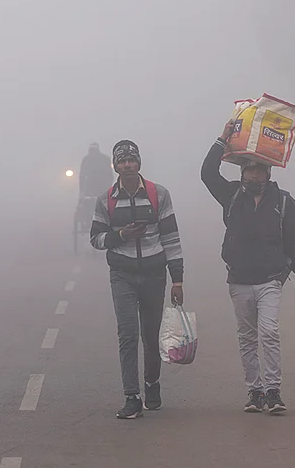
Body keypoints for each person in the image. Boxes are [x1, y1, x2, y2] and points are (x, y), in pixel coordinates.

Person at [201, 120, 295, 414]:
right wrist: (222, 138)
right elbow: (207, 174)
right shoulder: (232, 195)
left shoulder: (285, 203)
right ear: (242, 172)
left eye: (259, 170)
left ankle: (273, 390)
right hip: (238, 280)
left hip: (270, 280)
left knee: (270, 332)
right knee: (247, 337)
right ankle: (255, 391)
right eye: (249, 169)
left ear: (268, 173)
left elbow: (294, 241)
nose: (253, 174)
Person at [90, 140, 185, 419]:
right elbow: (95, 239)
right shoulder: (105, 200)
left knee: (151, 335)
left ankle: (152, 384)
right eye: (122, 161)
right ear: (116, 167)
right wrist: (121, 236)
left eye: (132, 160)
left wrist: (177, 280)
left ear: (139, 163)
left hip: (155, 274)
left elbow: (171, 238)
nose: (128, 165)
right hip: (123, 275)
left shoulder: (159, 194)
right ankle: (131, 396)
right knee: (127, 335)